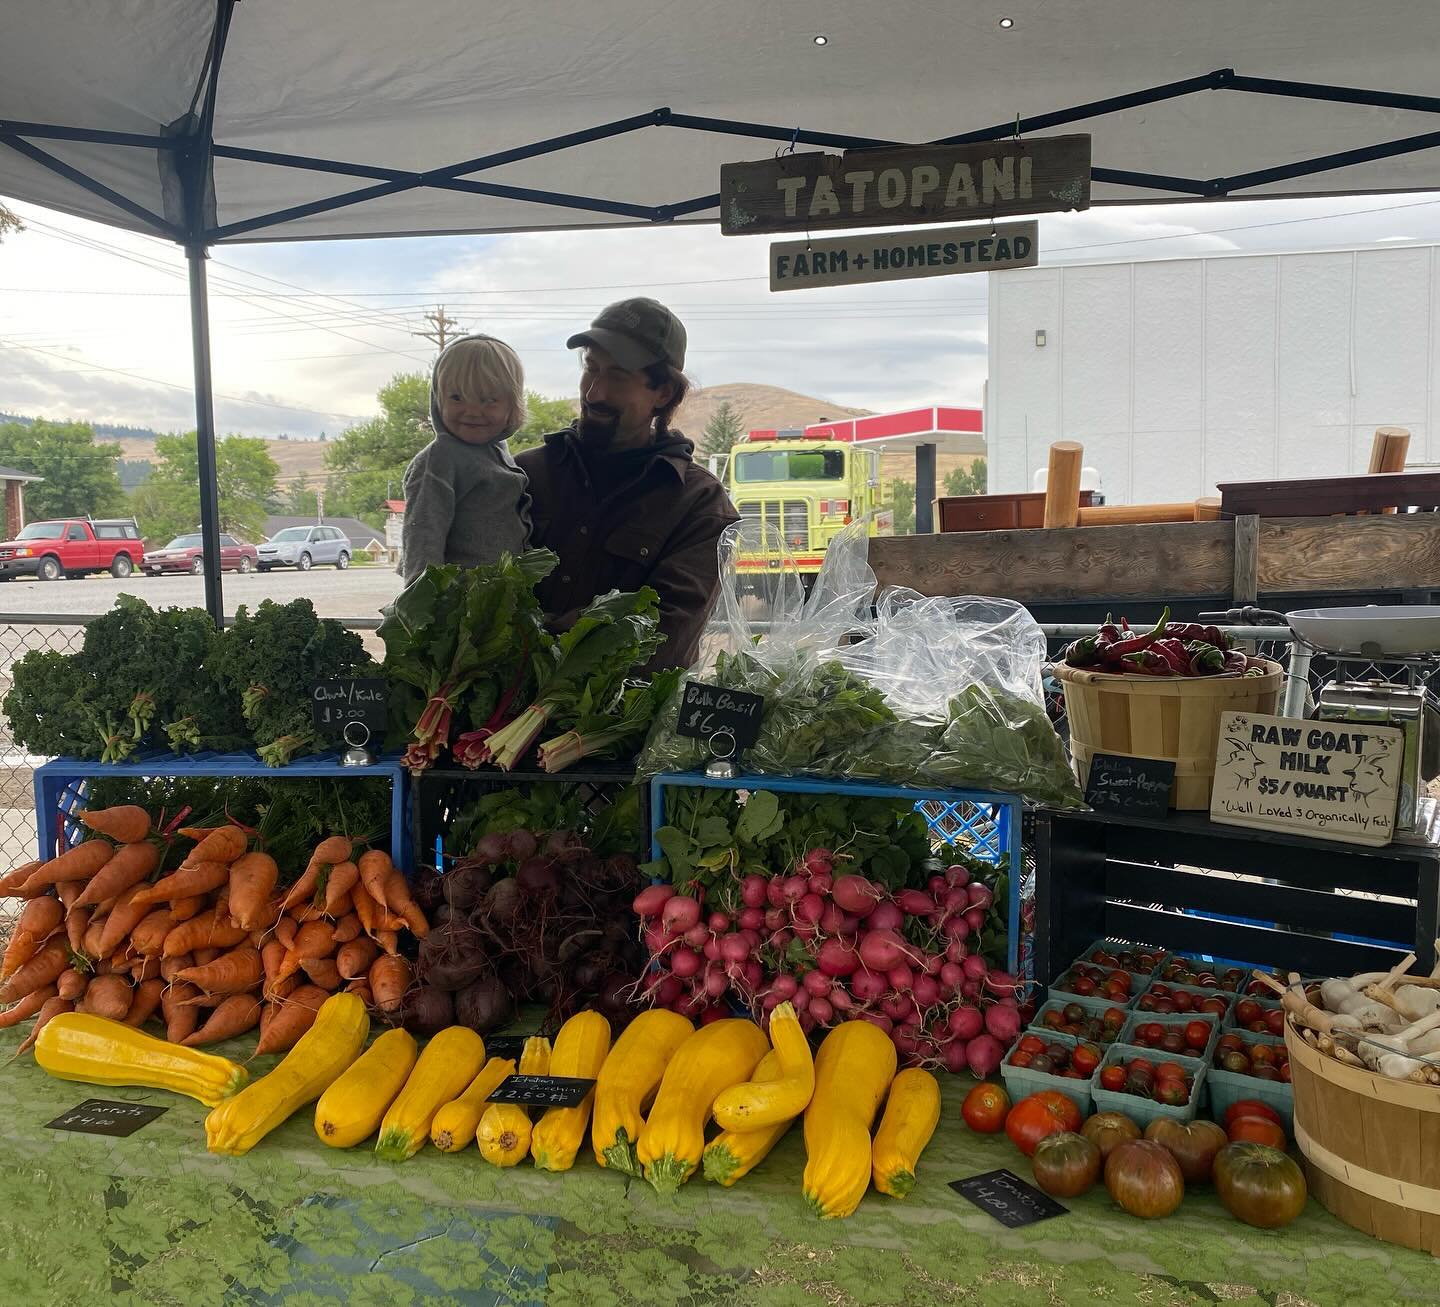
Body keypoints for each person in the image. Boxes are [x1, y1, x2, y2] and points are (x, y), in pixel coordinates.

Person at [516, 298, 739, 671]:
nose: (594, 393)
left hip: (623, 710)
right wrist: (583, 629)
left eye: (618, 376)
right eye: (591, 369)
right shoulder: (523, 474)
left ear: (663, 393)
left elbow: (660, 642)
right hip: (491, 706)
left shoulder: (699, 504)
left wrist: (531, 637)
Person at [399, 333, 531, 585]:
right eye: (457, 397)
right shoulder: (440, 459)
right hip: (461, 601)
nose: (472, 411)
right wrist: (425, 597)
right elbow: (423, 537)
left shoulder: (498, 452)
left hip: (500, 596)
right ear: (438, 398)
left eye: (489, 400)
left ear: (512, 405)